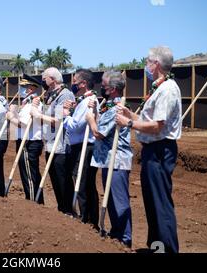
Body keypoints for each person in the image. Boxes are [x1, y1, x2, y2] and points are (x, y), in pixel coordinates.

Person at [116, 46, 181, 253]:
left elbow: (157, 126)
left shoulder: (168, 89)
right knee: (152, 203)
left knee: (160, 203)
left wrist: (128, 123)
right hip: (152, 150)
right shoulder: (159, 87)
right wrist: (130, 115)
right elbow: (147, 121)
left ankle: (167, 250)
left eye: (148, 61)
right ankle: (156, 247)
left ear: (157, 64)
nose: (146, 65)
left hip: (160, 151)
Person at [86, 71, 133, 248]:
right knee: (111, 200)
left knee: (119, 202)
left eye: (104, 84)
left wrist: (90, 120)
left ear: (112, 88)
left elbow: (99, 133)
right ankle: (116, 234)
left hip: (118, 161)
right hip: (107, 161)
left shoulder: (118, 108)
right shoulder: (109, 104)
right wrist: (96, 111)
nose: (102, 87)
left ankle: (125, 239)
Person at [30, 67, 75, 215]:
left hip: (62, 145)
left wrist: (38, 115)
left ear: (53, 79)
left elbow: (58, 120)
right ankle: (62, 209)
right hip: (50, 144)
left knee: (63, 180)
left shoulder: (65, 94)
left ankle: (68, 210)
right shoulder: (50, 95)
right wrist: (37, 108)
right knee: (55, 179)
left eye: (44, 78)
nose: (42, 81)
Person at [62, 69, 100, 227]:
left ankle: (87, 219)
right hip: (79, 146)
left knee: (83, 183)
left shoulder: (88, 101)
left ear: (83, 84)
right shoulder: (82, 100)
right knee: (84, 182)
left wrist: (66, 116)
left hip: (85, 146)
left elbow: (76, 126)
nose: (73, 84)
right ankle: (89, 218)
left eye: (75, 82)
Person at [6, 74, 44, 203]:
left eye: (23, 86)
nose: (20, 89)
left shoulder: (34, 103)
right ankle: (32, 200)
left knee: (30, 176)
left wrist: (12, 118)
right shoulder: (26, 102)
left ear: (31, 88)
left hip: (29, 142)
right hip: (23, 141)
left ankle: (34, 202)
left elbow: (26, 124)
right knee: (26, 173)